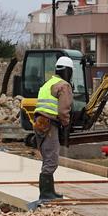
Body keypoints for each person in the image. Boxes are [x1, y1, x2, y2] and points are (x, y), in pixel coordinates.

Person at [33, 56, 74, 201]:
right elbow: (63, 110)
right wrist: (66, 124)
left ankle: (49, 191)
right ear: (68, 72)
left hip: (39, 122)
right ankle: (46, 193)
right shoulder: (64, 85)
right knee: (51, 159)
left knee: (47, 157)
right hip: (50, 123)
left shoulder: (48, 83)